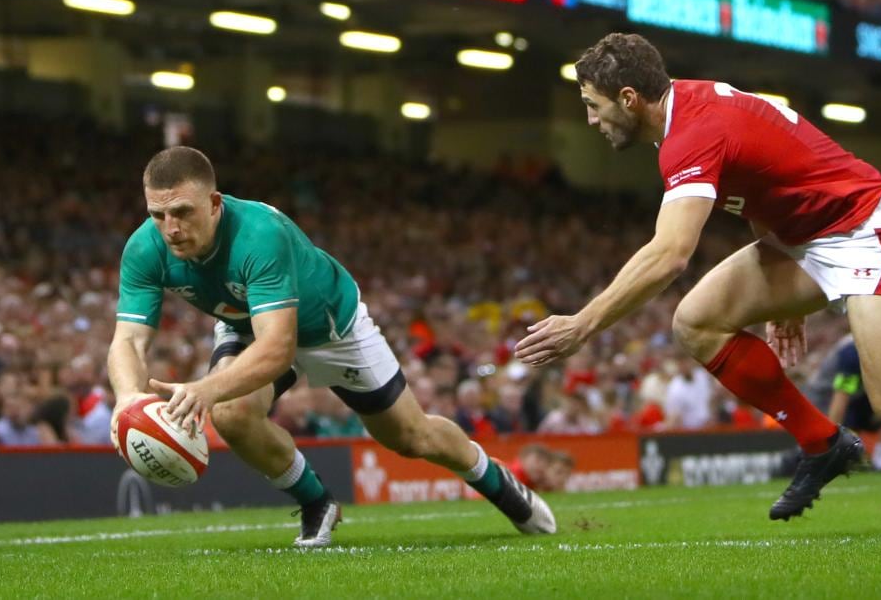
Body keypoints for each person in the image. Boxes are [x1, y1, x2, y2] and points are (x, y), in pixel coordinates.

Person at [514, 33, 881, 531]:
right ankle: (824, 442)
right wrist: (780, 258)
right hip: (805, 238)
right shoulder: (688, 109)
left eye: (593, 106)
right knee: (697, 323)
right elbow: (766, 171)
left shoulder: (690, 137)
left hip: (868, 229)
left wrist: (582, 324)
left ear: (629, 98)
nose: (591, 120)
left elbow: (669, 255)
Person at [108, 146, 554, 547]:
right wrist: (127, 396)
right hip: (244, 323)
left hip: (329, 325)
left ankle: (496, 481)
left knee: (410, 437)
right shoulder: (145, 248)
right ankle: (316, 502)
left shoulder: (258, 235)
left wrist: (205, 389)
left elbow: (279, 349)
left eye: (182, 212)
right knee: (231, 412)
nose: (170, 228)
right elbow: (128, 339)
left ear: (214, 203)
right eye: (158, 215)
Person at [806, 335, 881, 472]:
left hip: (856, 398)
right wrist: (832, 444)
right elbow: (840, 396)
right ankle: (832, 456)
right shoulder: (853, 352)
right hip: (825, 401)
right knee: (850, 454)